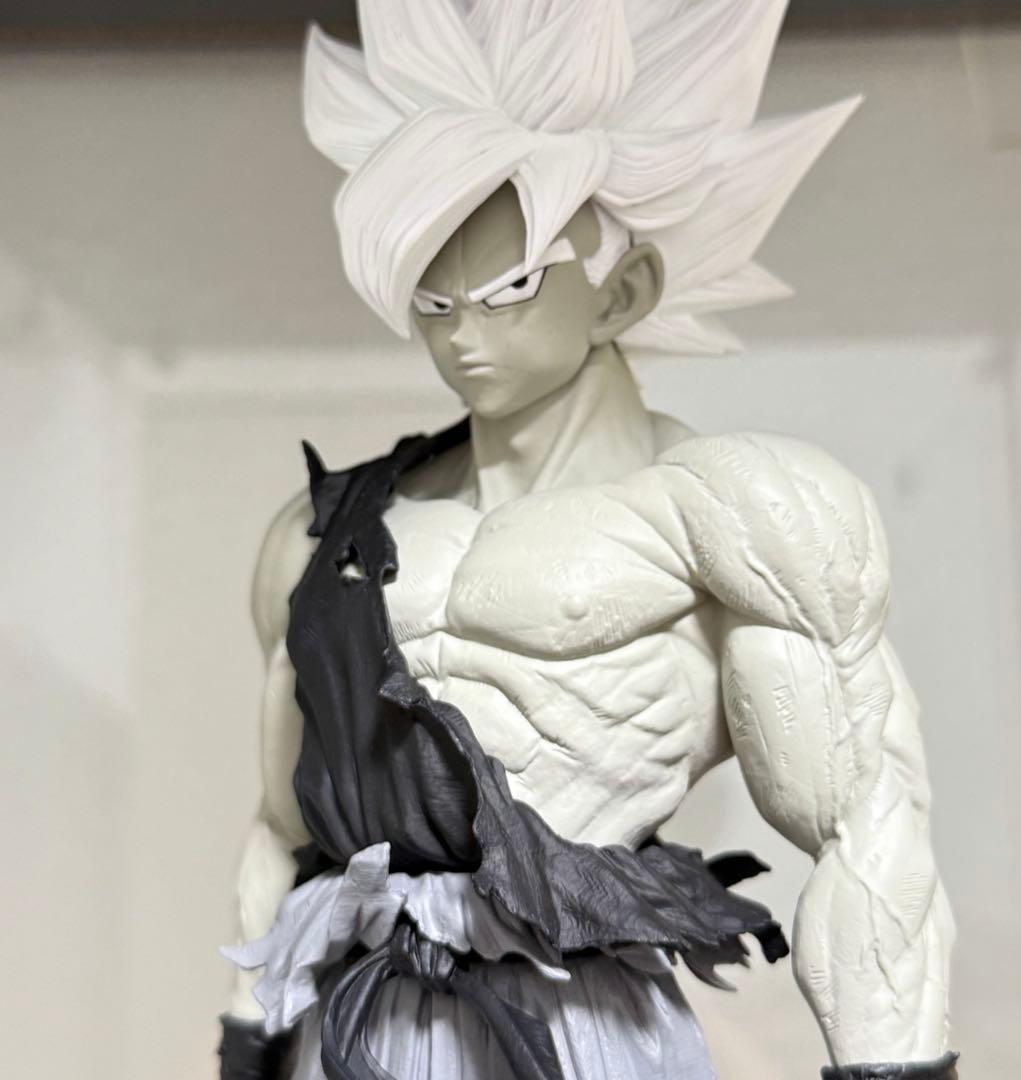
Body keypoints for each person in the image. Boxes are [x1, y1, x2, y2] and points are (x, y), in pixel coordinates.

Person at [219, 3, 958, 1078]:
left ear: (625, 290)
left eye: (512, 289)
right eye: (433, 301)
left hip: (590, 1021)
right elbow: (279, 831)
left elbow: (868, 827)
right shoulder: (318, 536)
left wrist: (891, 1066)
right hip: (366, 1027)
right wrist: (245, 1045)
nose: (464, 335)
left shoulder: (731, 512)